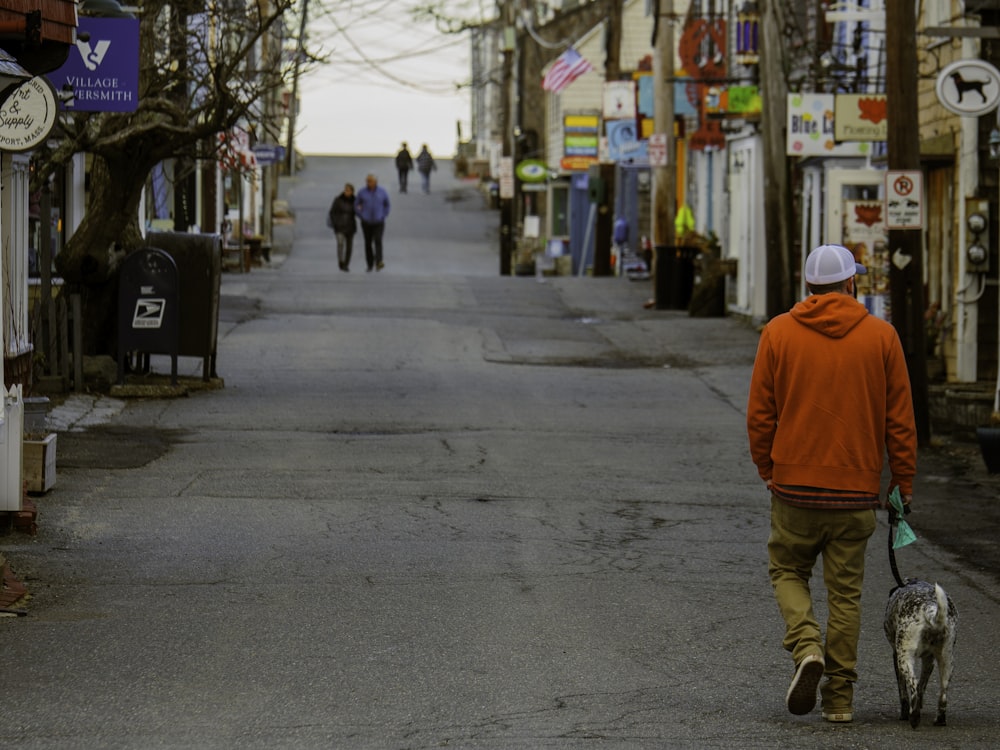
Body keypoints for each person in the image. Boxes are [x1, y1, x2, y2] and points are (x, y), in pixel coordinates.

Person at [746, 243, 917, 725]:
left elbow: (761, 415)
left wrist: (768, 468)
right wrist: (901, 483)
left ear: (807, 288)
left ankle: (806, 648)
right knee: (846, 595)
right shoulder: (882, 337)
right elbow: (901, 423)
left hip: (794, 486)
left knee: (786, 571)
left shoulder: (778, 332)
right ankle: (839, 701)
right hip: (856, 492)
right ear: (851, 284)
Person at [354, 173, 391, 272]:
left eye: (370, 181)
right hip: (366, 222)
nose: (368, 183)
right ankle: (370, 264)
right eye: (367, 181)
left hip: (379, 221)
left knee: (378, 240)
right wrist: (361, 215)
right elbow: (356, 204)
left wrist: (384, 214)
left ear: (375, 182)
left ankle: (379, 261)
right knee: (368, 243)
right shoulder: (362, 192)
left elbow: (387, 204)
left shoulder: (382, 192)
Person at [328, 183, 357, 272]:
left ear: (352, 192)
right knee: (340, 244)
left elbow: (359, 212)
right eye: (345, 190)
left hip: (350, 226)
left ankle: (346, 264)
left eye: (349, 190)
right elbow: (332, 212)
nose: (346, 192)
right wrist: (335, 223)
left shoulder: (355, 201)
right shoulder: (338, 200)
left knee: (349, 247)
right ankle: (341, 261)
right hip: (339, 226)